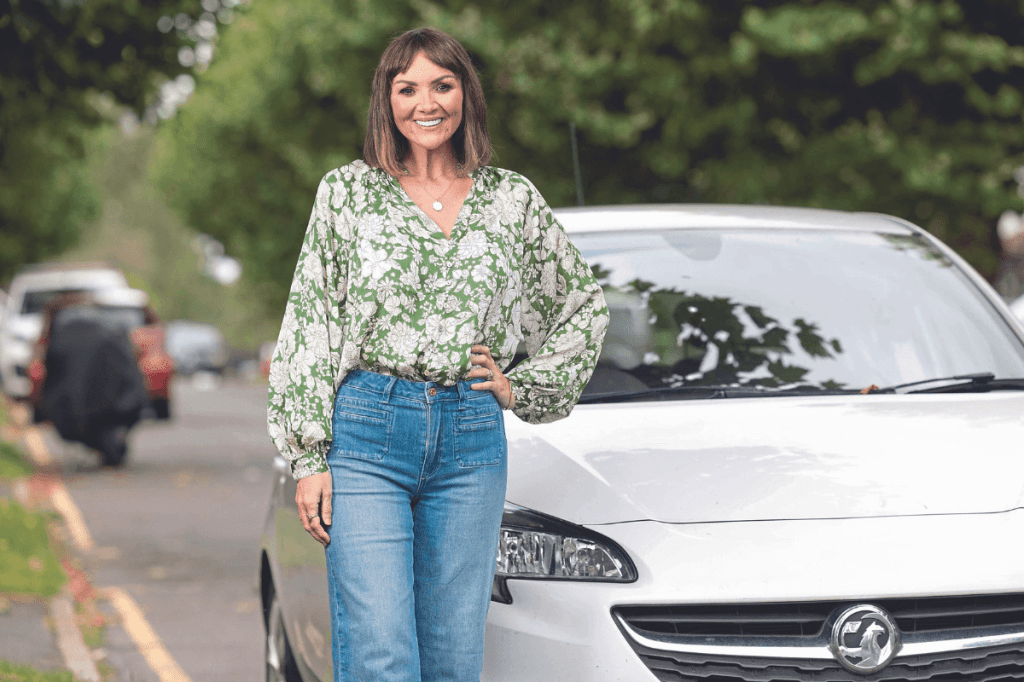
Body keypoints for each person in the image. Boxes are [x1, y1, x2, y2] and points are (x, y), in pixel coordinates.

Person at [267, 27, 608, 682]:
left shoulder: (510, 200)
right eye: (408, 88)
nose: (427, 102)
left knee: (453, 660)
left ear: (465, 96)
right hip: (367, 433)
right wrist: (308, 456)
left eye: (442, 85)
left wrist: (522, 386)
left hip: (469, 439)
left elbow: (581, 306)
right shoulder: (349, 194)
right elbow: (312, 319)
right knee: (381, 653)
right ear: (387, 101)